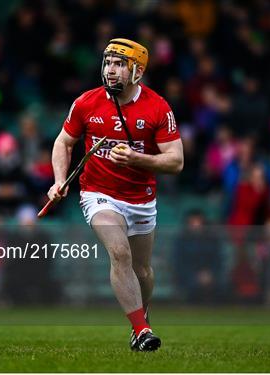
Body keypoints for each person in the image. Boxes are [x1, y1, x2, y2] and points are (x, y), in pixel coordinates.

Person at [47, 38, 183, 351]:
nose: (111, 69)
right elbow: (63, 143)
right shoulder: (86, 102)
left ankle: (141, 316)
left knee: (143, 271)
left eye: (120, 64)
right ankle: (142, 331)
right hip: (98, 194)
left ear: (137, 71)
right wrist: (58, 180)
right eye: (108, 62)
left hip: (141, 198)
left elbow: (176, 161)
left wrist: (138, 159)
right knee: (119, 253)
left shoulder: (158, 107)